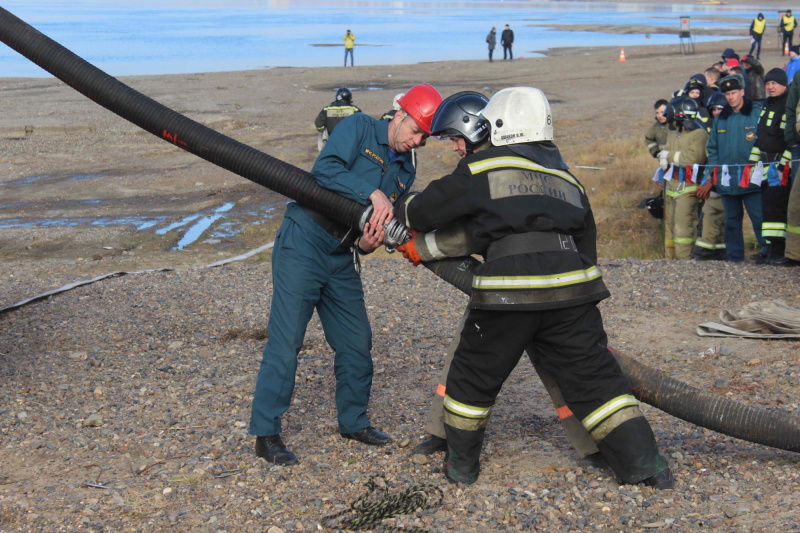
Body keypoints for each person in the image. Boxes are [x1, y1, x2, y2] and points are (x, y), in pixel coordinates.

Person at [394, 87, 673, 489]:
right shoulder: (566, 177)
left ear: (499, 125)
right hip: (572, 292)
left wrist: (402, 206)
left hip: (509, 292)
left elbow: (424, 212)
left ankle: (461, 468)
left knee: (473, 378)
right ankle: (646, 467)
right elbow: (586, 246)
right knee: (598, 383)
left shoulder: (483, 167)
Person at [250, 84, 443, 465]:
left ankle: (353, 422)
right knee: (287, 341)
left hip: (342, 255)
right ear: (400, 114)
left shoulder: (407, 169)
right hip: (304, 241)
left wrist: (367, 246)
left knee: (357, 342)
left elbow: (377, 225)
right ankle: (266, 434)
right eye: (416, 131)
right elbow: (325, 170)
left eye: (425, 137)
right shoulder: (358, 127)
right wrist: (372, 191)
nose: (418, 141)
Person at [404, 91, 601, 463]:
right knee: (471, 352)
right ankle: (443, 431)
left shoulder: (491, 170)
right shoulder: (521, 163)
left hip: (522, 285)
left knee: (549, 365)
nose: (454, 148)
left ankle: (593, 441)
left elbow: (479, 233)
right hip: (514, 281)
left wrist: (425, 246)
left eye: (456, 139)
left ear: (480, 132)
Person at [699, 74, 766, 262]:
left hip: (752, 180)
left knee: (759, 219)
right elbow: (713, 149)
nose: (730, 97)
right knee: (731, 223)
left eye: (734, 92)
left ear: (742, 92)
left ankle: (766, 253)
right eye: (727, 93)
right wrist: (713, 175)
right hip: (727, 181)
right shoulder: (721, 119)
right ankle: (734, 257)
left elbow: (765, 142)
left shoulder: (756, 113)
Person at [658, 97, 709, 260]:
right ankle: (670, 261)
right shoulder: (675, 134)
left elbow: (694, 158)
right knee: (671, 226)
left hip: (687, 189)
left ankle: (685, 261)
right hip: (672, 187)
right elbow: (665, 149)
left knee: (683, 228)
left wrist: (669, 156)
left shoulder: (699, 134)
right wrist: (662, 156)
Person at [752, 68, 794, 265]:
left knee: (776, 207)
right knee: (766, 208)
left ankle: (779, 249)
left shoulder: (787, 105)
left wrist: (783, 166)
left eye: (774, 83)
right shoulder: (767, 105)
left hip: (780, 166)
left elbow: (790, 140)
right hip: (764, 165)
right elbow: (759, 138)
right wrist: (752, 164)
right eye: (768, 83)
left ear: (784, 84)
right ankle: (768, 249)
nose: (770, 86)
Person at [692, 91, 728, 261]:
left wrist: (710, 182)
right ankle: (719, 258)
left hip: (725, 184)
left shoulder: (728, 129)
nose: (715, 112)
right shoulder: (714, 129)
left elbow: (724, 159)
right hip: (715, 183)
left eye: (719, 108)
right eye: (713, 109)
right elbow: (712, 158)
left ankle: (703, 257)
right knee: (717, 225)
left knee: (711, 219)